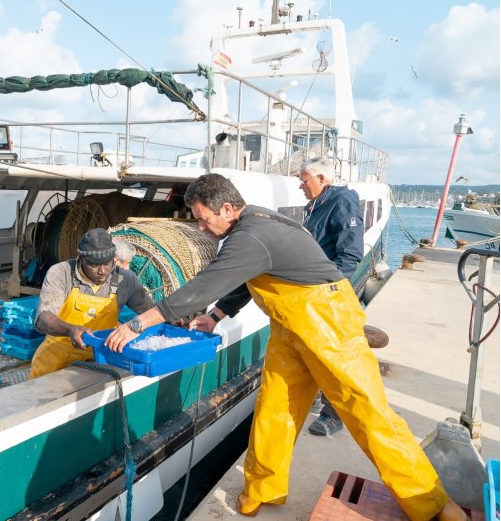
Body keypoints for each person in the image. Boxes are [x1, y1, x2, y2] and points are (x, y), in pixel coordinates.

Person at [104, 174, 465, 521]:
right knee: (275, 409)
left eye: (202, 218)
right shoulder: (252, 225)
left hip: (328, 323)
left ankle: (430, 501)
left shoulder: (250, 236)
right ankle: (263, 489)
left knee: (367, 411)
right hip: (291, 326)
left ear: (227, 209)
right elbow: (250, 274)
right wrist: (216, 316)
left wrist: (138, 322)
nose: (200, 227)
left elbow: (205, 284)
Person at [29, 228, 154, 379]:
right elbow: (43, 318)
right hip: (55, 358)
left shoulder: (126, 280)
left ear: (114, 258)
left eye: (107, 264)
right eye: (94, 265)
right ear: (80, 258)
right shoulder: (61, 273)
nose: (102, 271)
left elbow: (151, 311)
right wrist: (69, 330)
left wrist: (174, 318)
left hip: (101, 360)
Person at [299, 157, 364, 437]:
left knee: (333, 355)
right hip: (311, 289)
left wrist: (331, 292)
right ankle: (315, 394)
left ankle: (333, 413)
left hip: (328, 291)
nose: (300, 186)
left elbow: (350, 254)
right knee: (312, 349)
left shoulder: (342, 203)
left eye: (304, 181)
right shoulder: (318, 204)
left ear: (322, 179)